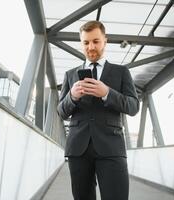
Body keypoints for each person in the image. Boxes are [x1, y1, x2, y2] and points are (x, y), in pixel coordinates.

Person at [57, 20, 139, 200]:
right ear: (81, 43)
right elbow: (61, 111)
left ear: (105, 41)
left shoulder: (121, 72)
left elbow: (133, 106)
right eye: (86, 42)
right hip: (78, 148)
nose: (90, 46)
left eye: (95, 41)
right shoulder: (70, 75)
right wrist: (72, 96)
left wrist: (107, 93)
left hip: (111, 147)